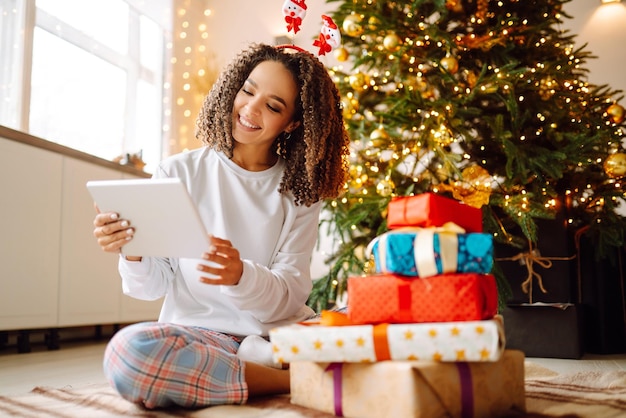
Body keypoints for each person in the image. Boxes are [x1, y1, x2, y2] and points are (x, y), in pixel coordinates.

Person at [92, 43, 350, 409]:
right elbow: (151, 288)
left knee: (371, 319)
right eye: (248, 90)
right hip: (202, 339)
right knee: (129, 354)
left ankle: (259, 366)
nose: (250, 109)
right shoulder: (177, 172)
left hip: (276, 334)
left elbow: (289, 295)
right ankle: (289, 379)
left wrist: (239, 275)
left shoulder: (300, 192)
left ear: (292, 123)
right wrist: (132, 250)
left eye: (273, 106)